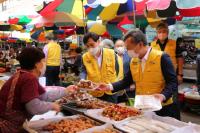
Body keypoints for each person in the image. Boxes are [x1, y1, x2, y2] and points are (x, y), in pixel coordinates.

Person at [97, 29, 180, 119]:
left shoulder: (162, 57)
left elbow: (173, 82)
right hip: (143, 107)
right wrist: (108, 86)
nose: (127, 51)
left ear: (140, 44)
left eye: (129, 48)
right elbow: (126, 81)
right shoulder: (133, 61)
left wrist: (163, 96)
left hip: (163, 108)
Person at [0, 47, 77, 132]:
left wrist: (66, 91)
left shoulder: (22, 74)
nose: (45, 64)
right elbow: (34, 107)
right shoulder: (29, 78)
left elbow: (43, 96)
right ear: (36, 64)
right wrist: (52, 106)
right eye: (43, 61)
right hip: (8, 127)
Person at [80, 32, 119, 103]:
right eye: (87, 46)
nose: (90, 48)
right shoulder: (85, 57)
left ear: (98, 41)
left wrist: (114, 85)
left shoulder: (111, 53)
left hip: (110, 90)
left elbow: (118, 70)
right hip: (95, 91)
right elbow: (83, 70)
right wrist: (82, 79)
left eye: (92, 45)